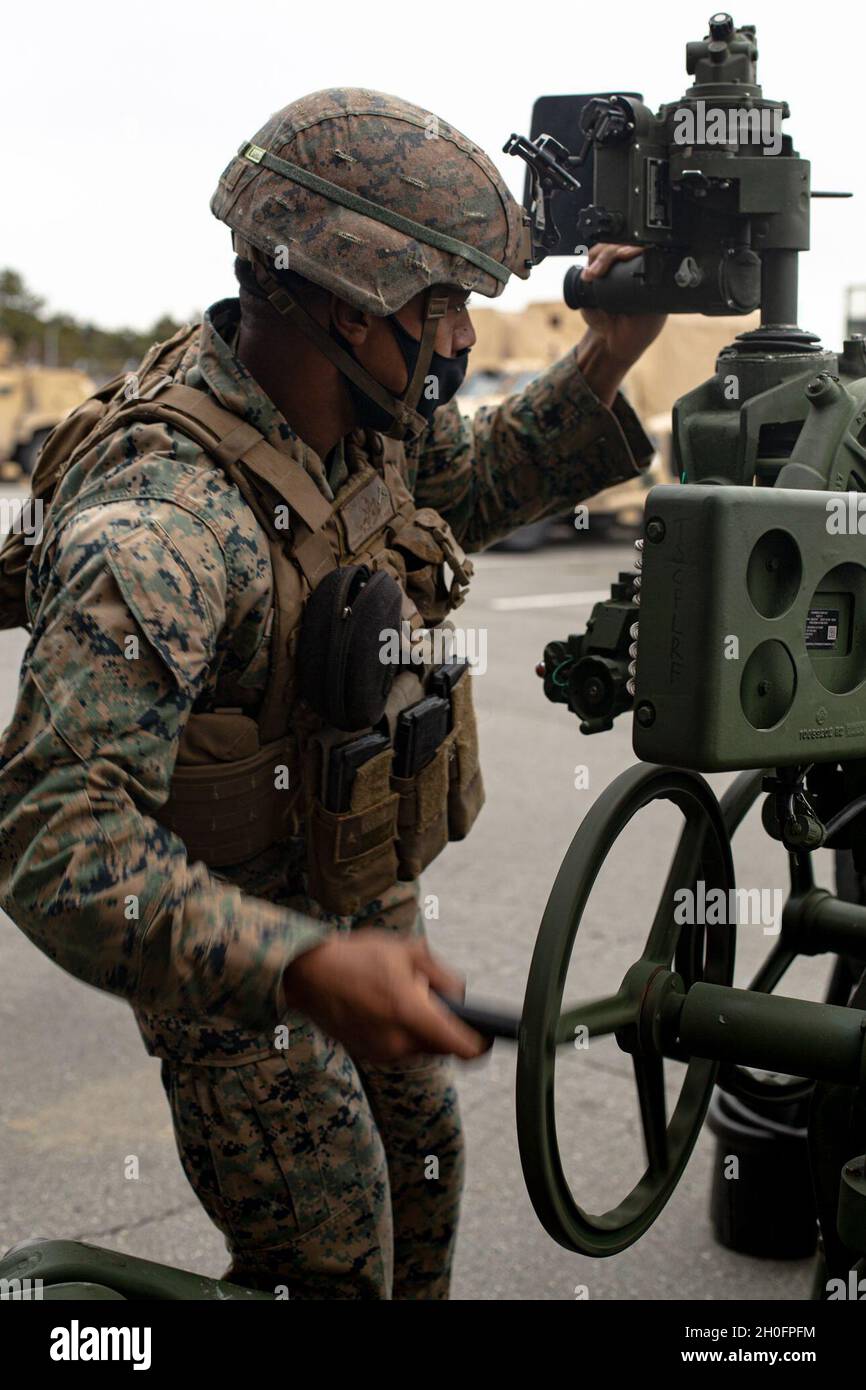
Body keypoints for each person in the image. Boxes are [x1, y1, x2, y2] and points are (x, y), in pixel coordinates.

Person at [0, 89, 664, 1299]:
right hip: (232, 947)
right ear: (339, 299)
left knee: (421, 1172)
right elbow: (57, 841)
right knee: (330, 1254)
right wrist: (297, 966)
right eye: (438, 303)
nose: (460, 337)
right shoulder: (165, 523)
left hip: (354, 894)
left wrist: (609, 352)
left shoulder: (366, 422)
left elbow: (481, 476)